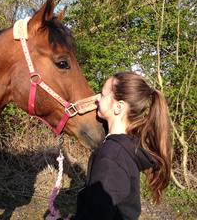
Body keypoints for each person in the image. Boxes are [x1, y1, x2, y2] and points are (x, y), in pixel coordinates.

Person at [56, 71, 172, 220]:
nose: (97, 99)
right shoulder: (127, 147)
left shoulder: (112, 156)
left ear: (118, 107)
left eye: (103, 94)